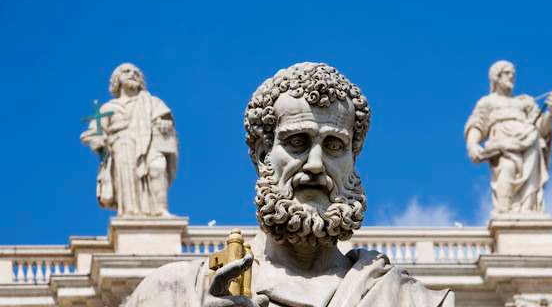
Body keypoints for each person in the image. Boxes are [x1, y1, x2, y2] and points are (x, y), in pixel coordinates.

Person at [124, 62, 454, 307]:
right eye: (297, 141)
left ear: (353, 158)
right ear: (261, 154)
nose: (315, 164)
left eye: (334, 146)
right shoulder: (175, 293)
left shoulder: (407, 300)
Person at [80, 63, 177, 217]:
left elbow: (164, 120)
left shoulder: (152, 102)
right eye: (127, 71)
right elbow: (94, 132)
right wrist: (98, 141)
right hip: (122, 145)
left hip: (149, 143)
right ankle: (129, 213)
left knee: (158, 168)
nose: (132, 74)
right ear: (117, 79)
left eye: (136, 73)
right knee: (127, 176)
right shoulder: (109, 108)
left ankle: (160, 210)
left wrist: (164, 123)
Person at [464, 60, 552, 215]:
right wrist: (472, 144)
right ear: (497, 77)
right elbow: (477, 124)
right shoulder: (488, 102)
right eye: (507, 73)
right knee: (507, 168)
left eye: (513, 74)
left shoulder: (525, 102)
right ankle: (504, 211)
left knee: (531, 180)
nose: (512, 77)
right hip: (503, 142)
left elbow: (542, 128)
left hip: (529, 141)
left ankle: (527, 211)